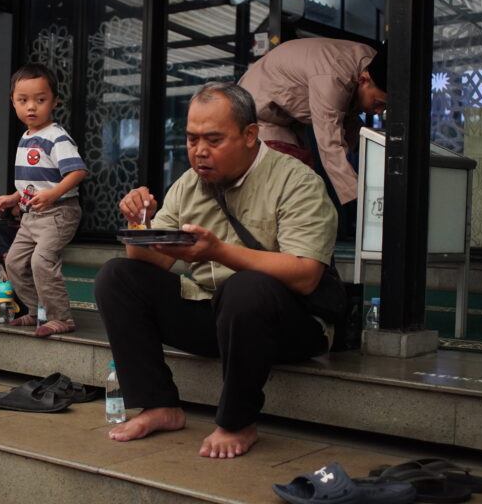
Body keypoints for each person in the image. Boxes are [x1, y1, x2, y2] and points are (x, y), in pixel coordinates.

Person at [94, 82, 342, 459]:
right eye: (191, 139)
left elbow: (306, 276)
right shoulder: (188, 185)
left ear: (250, 135)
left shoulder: (297, 181)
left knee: (245, 287)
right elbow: (153, 262)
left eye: (213, 139)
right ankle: (159, 405)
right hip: (217, 316)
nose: (199, 151)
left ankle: (237, 422)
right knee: (116, 277)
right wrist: (139, 224)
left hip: (289, 327)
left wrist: (219, 252)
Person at [0, 64, 88, 337]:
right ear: (13, 102)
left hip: (59, 212)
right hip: (32, 215)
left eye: (40, 99)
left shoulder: (56, 137)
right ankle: (37, 311)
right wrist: (13, 197)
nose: (31, 107)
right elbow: (34, 183)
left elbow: (78, 172)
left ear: (55, 101)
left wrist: (53, 194)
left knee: (41, 261)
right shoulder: (26, 138)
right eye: (23, 100)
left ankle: (61, 317)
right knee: (13, 262)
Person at [237, 37, 387, 205]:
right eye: (379, 103)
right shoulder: (333, 77)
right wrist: (362, 202)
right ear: (363, 80)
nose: (380, 111)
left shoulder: (368, 63)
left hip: (287, 118)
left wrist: (377, 153)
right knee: (292, 186)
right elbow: (331, 144)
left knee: (303, 185)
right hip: (260, 112)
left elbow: (344, 115)